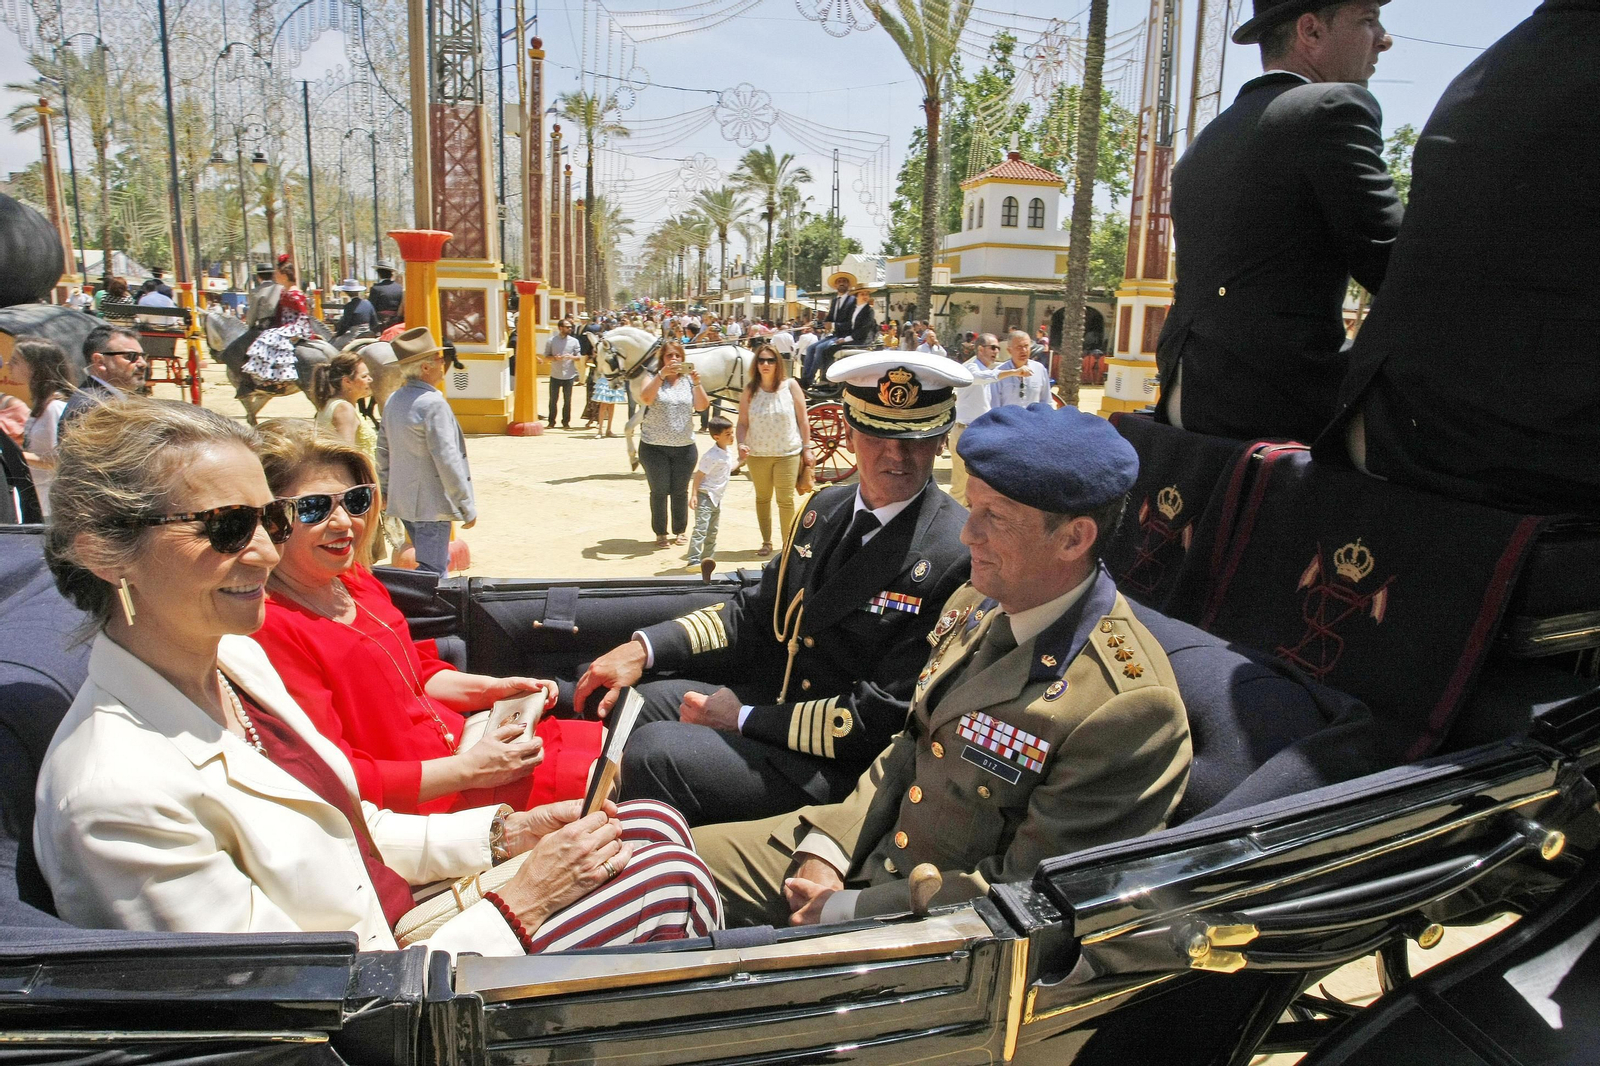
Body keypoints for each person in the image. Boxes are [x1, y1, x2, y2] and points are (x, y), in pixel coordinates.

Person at [34, 398, 720, 954]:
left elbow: (352, 824)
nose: (267, 550)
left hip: (397, 907)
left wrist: (507, 834)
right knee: (664, 875)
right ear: (104, 553)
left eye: (271, 521)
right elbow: (290, 1008)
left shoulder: (231, 661)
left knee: (648, 823)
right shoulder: (117, 798)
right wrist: (525, 897)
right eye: (227, 527)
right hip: (379, 981)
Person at [694, 403, 1191, 925]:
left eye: (993, 517)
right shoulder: (973, 607)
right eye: (970, 507)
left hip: (930, 930)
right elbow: (911, 743)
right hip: (861, 849)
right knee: (651, 859)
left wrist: (846, 909)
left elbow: (1031, 897)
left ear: (1073, 538)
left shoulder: (1128, 708)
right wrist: (830, 844)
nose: (966, 534)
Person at [577, 353, 974, 827]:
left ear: (941, 440)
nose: (896, 456)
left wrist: (743, 718)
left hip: (840, 767)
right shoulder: (824, 507)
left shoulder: (955, 550)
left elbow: (883, 716)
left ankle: (636, 866)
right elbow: (755, 613)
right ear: (849, 433)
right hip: (776, 707)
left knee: (656, 753)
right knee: (634, 699)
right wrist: (645, 649)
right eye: (877, 436)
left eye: (917, 439)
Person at [1318, 1, 1599, 516]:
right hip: (1480, 442)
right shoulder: (1332, 111)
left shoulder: (1502, 61)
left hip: (1387, 420)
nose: (1385, 40)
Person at [252, 419, 600, 815]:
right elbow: (334, 775)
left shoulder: (354, 581)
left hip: (463, 750)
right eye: (315, 508)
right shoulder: (269, 627)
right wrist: (469, 770)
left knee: (612, 747)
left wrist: (492, 689)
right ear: (268, 519)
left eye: (356, 501)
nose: (345, 523)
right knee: (610, 774)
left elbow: (413, 670)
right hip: (422, 800)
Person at [1154, 0, 1402, 443]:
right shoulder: (1330, 107)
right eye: (1367, 20)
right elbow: (1396, 266)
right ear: (1311, 31)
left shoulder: (1213, 134)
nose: (1383, 39)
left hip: (1190, 393)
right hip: (1274, 404)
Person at [378, 327, 476, 576]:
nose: (443, 364)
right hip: (431, 505)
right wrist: (465, 505)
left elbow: (383, 451)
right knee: (435, 571)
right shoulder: (432, 403)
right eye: (439, 360)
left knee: (428, 568)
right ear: (425, 367)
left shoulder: (394, 400)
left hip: (405, 500)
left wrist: (386, 489)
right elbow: (447, 459)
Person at [736, 341, 812, 556]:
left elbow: (803, 420)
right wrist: (741, 443)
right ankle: (766, 541)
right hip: (757, 453)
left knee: (785, 500)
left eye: (771, 360)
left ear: (778, 363)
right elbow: (742, 422)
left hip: (787, 453)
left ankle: (787, 544)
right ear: (756, 364)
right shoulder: (750, 390)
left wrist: (807, 448)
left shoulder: (791, 386)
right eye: (761, 360)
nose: (766, 364)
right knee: (762, 498)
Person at [637, 341, 710, 549]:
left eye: (678, 356)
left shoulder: (688, 381)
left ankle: (680, 530)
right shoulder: (650, 378)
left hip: (684, 446)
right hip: (654, 447)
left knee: (680, 490)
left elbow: (702, 406)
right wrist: (661, 376)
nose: (674, 359)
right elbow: (646, 398)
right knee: (659, 490)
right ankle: (660, 533)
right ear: (663, 359)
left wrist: (697, 383)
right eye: (670, 356)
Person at [949, 334, 1029, 506]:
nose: (996, 351)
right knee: (960, 487)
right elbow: (984, 377)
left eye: (998, 348)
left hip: (977, 433)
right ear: (980, 349)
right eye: (992, 347)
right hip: (964, 432)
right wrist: (1014, 372)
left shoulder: (986, 369)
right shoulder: (971, 368)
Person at [12, 338, 73, 515]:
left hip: (50, 505)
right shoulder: (41, 404)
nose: (9, 365)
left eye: (16, 361)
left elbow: (59, 461)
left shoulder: (56, 408)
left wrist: (14, 456)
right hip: (35, 499)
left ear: (35, 367)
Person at [240, 256, 317, 393]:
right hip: (284, 324)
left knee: (269, 338)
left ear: (285, 275)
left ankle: (281, 378)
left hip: (295, 325)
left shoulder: (295, 293)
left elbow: (303, 313)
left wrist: (299, 329)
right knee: (269, 335)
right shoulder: (284, 291)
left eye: (278, 273)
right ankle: (268, 376)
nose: (275, 276)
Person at [60, 323, 146, 433]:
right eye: (131, 356)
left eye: (143, 356)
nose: (143, 363)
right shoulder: (95, 407)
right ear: (100, 361)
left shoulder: (105, 400)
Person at [686, 416, 735, 572]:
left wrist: (742, 458)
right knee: (701, 528)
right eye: (728, 434)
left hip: (715, 497)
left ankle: (707, 559)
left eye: (732, 433)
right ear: (716, 437)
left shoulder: (727, 452)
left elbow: (729, 468)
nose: (732, 436)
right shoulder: (711, 455)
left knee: (712, 530)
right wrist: (694, 495)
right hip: (705, 495)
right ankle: (693, 560)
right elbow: (698, 475)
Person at [311, 350, 377, 461]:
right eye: (364, 376)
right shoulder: (344, 410)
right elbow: (346, 457)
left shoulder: (330, 404)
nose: (370, 380)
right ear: (347, 382)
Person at [800, 272, 858, 387]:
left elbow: (852, 324)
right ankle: (805, 377)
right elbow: (828, 320)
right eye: (839, 281)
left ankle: (809, 381)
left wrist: (834, 326)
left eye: (844, 281)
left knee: (820, 348)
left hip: (845, 337)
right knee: (811, 348)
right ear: (836, 285)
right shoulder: (835, 301)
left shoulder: (853, 301)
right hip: (834, 335)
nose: (842, 283)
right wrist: (814, 325)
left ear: (849, 285)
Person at [543, 319, 584, 429]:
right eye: (567, 327)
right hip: (555, 374)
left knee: (567, 400)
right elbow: (546, 357)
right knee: (553, 400)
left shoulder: (574, 341)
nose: (570, 329)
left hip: (569, 375)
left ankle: (566, 422)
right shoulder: (551, 341)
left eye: (570, 327)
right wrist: (555, 358)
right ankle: (551, 422)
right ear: (560, 328)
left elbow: (579, 357)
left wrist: (572, 357)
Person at [993, 330, 1048, 407]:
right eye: (1019, 347)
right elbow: (994, 405)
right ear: (1009, 350)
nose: (1024, 350)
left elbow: (1047, 401)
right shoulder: (999, 372)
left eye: (1026, 346)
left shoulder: (1039, 369)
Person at [369, 262, 404, 331]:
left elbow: (371, 307)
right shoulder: (399, 288)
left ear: (379, 274)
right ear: (391, 274)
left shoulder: (376, 288)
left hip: (381, 322)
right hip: (397, 321)